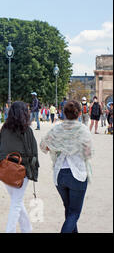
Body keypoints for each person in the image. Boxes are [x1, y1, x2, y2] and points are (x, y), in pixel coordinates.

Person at [40, 100, 92, 233]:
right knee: (74, 213)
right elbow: (88, 153)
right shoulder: (83, 130)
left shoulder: (56, 129)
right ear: (80, 113)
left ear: (64, 113)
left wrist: (58, 147)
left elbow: (43, 146)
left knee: (69, 210)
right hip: (77, 174)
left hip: (60, 174)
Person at [0, 101, 39, 233]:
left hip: (5, 169)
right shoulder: (27, 130)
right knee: (16, 203)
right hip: (21, 171)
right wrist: (33, 171)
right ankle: (10, 231)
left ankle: (27, 228)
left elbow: (0, 150)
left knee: (16, 201)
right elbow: (33, 153)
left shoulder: (4, 129)